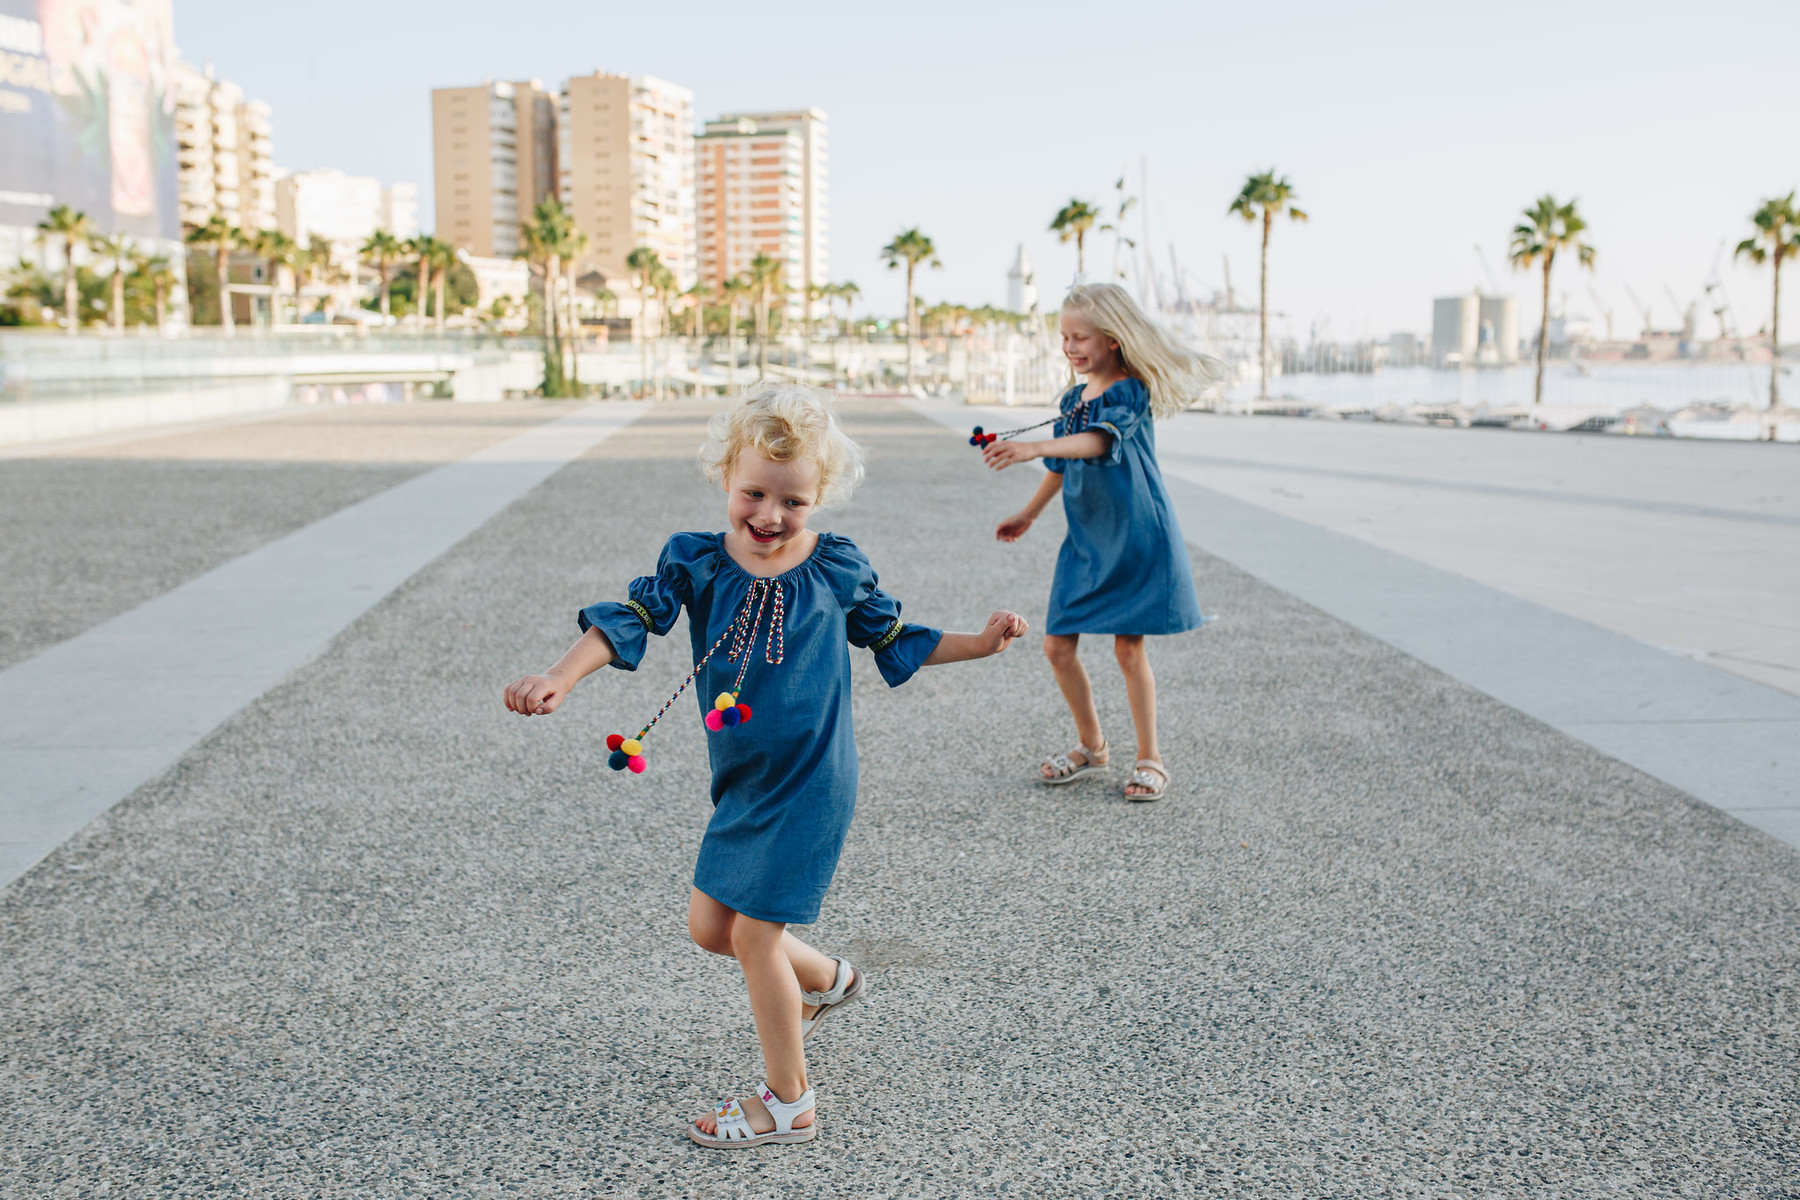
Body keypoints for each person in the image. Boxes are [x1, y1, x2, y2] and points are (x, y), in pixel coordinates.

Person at [504, 383, 1027, 1148]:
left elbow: (894, 637)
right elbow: (631, 619)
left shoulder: (836, 567)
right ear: (725, 476)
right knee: (710, 926)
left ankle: (790, 1102)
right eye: (754, 492)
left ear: (819, 498)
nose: (770, 516)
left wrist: (980, 643)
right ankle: (826, 978)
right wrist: (559, 675)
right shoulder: (695, 561)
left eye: (794, 501)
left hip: (814, 778)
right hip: (744, 779)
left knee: (754, 937)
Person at [983, 282, 1221, 802]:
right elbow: (1063, 464)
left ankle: (1150, 758)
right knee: (1056, 646)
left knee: (1128, 649)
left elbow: (1097, 442)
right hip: (1086, 540)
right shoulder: (1073, 399)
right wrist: (1027, 514)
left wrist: (1030, 447)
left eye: (1080, 337)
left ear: (1113, 339)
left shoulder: (1130, 390)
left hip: (1136, 534)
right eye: (1064, 337)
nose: (1070, 347)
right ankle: (1092, 747)